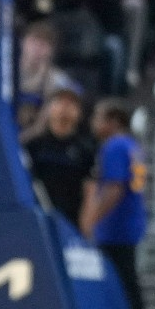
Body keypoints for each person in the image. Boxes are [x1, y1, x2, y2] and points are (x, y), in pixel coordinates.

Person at [80, 99, 150, 309]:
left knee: (123, 289)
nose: (93, 123)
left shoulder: (114, 146)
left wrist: (91, 220)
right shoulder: (132, 146)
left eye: (98, 117)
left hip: (116, 228)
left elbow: (114, 188)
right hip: (129, 224)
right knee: (129, 287)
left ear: (113, 122)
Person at [25, 84, 95, 228]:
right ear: (49, 108)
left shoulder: (85, 149)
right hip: (39, 220)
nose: (65, 108)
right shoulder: (32, 145)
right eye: (60, 102)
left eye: (71, 104)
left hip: (71, 222)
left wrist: (86, 224)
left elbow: (90, 190)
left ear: (79, 112)